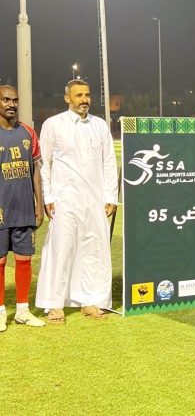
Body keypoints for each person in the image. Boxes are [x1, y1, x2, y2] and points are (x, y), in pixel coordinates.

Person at [35, 79, 118, 323]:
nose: (84, 100)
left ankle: (89, 300)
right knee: (61, 249)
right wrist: (48, 196)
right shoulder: (53, 124)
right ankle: (54, 304)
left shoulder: (99, 125)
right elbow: (43, 164)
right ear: (67, 98)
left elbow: (109, 162)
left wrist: (111, 196)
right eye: (79, 95)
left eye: (87, 95)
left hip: (95, 200)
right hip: (65, 200)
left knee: (93, 250)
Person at [0, 85, 46, 331]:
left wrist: (39, 203)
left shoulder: (28, 132)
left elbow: (36, 170)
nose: (11, 104)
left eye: (15, 100)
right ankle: (0, 312)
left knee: (24, 260)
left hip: (25, 209)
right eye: (6, 100)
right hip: (1, 210)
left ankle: (22, 311)